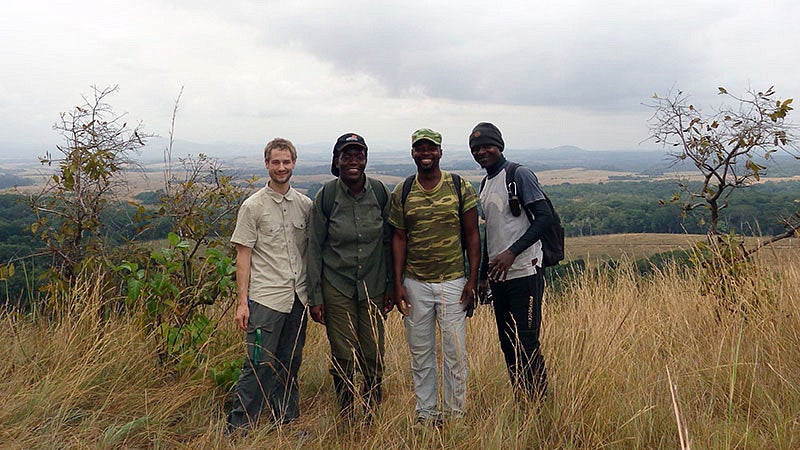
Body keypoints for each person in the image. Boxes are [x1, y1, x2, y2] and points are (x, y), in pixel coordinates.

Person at [389, 128, 480, 424]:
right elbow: (399, 239)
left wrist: (472, 280)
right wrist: (398, 283)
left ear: (440, 152)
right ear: (413, 153)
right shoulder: (403, 191)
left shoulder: (458, 186)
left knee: (455, 354)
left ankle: (456, 416)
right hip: (415, 284)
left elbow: (472, 235)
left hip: (453, 282)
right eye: (420, 148)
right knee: (421, 354)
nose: (425, 153)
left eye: (431, 148)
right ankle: (427, 415)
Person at [226, 138, 312, 434]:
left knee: (290, 363)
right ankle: (239, 427)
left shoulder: (304, 205)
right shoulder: (253, 207)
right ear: (266, 164)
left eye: (286, 162)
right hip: (265, 300)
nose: (281, 167)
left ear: (293, 164)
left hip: (297, 298)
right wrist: (242, 302)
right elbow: (243, 255)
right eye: (275, 162)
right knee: (259, 364)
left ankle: (285, 423)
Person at [307, 133, 394, 423]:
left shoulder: (380, 193)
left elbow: (390, 243)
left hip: (373, 285)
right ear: (337, 160)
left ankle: (370, 416)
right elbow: (314, 248)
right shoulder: (327, 196)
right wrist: (316, 297)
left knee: (373, 354)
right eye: (347, 155)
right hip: (337, 286)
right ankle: (346, 415)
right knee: (344, 354)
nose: (353, 160)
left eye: (359, 155)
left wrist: (392, 287)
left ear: (366, 160)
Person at [469, 122, 552, 402]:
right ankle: (522, 400)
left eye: (487, 146)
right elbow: (490, 232)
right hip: (499, 278)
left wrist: (512, 252)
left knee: (527, 343)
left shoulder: (518, 175)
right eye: (476, 148)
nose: (482, 152)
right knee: (507, 344)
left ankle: (539, 403)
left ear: (500, 146)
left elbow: (544, 218)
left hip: (525, 271)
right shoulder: (485, 182)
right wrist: (483, 275)